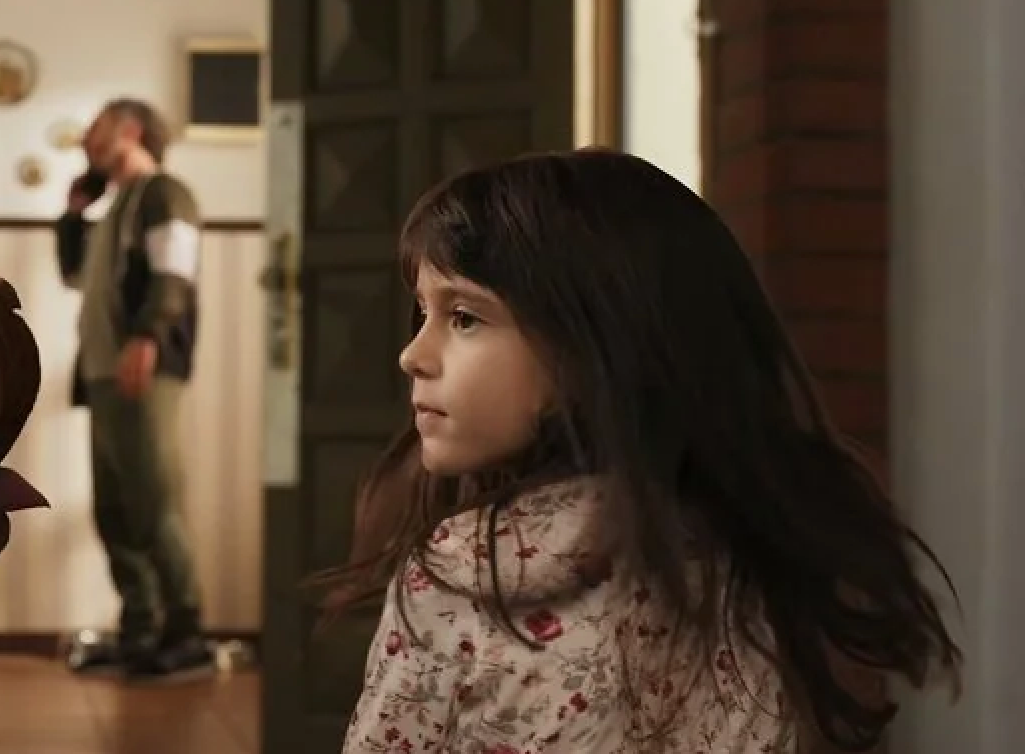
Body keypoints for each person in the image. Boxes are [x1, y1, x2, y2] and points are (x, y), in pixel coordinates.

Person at [317, 150, 963, 752]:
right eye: (422, 312)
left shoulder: (464, 571)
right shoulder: (761, 553)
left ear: (591, 346)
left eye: (464, 317)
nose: (413, 354)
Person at [54, 98, 213, 683]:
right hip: (103, 374)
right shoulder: (115, 206)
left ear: (128, 129)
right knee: (115, 509)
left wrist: (147, 336)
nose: (85, 139)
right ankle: (141, 630)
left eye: (95, 127)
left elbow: (175, 273)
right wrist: (74, 214)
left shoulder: (164, 194)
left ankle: (187, 634)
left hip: (142, 368)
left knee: (152, 502)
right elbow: (74, 275)